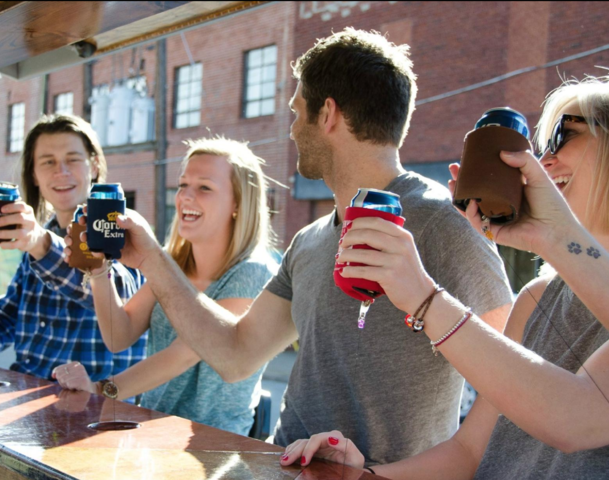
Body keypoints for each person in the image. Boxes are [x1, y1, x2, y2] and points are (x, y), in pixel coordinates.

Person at [99, 28, 512, 462]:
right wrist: (152, 258)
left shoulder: (442, 221)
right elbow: (236, 354)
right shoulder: (309, 241)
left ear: (328, 114)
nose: (293, 130)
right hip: (284, 467)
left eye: (298, 112)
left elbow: (512, 380)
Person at [282, 77, 609, 479]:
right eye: (542, 148)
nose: (544, 161)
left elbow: (574, 418)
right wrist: (363, 476)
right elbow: (469, 453)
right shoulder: (537, 298)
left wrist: (423, 296)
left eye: (564, 134)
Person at [54, 137, 278, 436]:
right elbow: (118, 336)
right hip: (152, 431)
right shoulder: (174, 267)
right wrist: (98, 270)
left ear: (238, 203)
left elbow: (183, 354)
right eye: (183, 184)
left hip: (214, 442)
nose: (186, 196)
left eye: (204, 187)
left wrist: (102, 389)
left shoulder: (254, 272)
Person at [0, 114, 146, 381]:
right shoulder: (41, 236)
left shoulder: (122, 226)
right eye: (48, 161)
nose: (61, 171)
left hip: (97, 407)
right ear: (34, 175)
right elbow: (5, 319)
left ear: (94, 165)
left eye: (73, 159)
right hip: (28, 398)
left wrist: (41, 244)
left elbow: (122, 295)